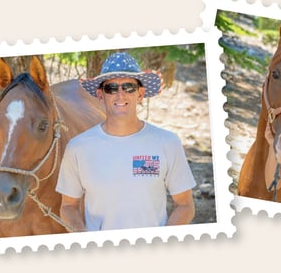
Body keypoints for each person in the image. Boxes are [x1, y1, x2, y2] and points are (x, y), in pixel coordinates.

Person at [56, 52, 196, 232]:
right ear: (100, 95)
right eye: (111, 88)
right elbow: (68, 207)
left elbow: (185, 205)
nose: (120, 95)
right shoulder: (77, 148)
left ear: (140, 94)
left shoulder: (167, 143)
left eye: (129, 87)